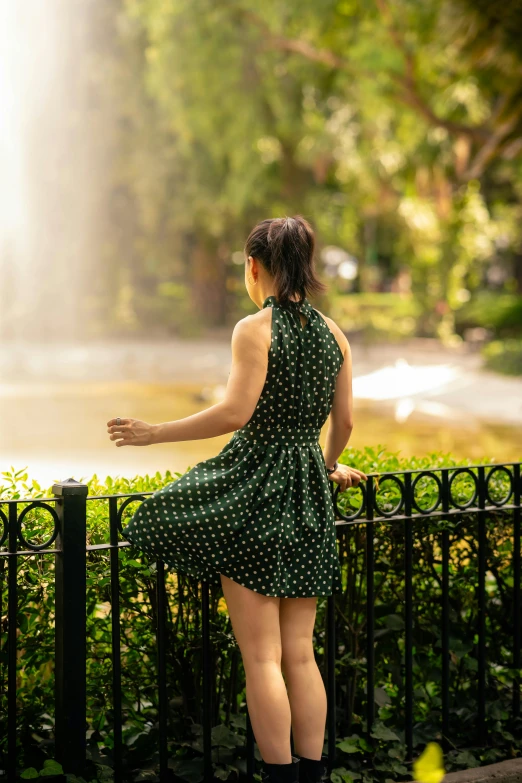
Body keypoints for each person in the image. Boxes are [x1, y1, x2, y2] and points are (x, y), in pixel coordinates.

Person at [107, 215, 367, 783]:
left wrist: (153, 433)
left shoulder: (255, 328)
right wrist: (324, 467)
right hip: (306, 494)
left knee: (263, 659)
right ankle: (313, 774)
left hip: (256, 492)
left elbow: (234, 414)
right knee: (301, 655)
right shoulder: (334, 335)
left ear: (255, 266)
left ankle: (278, 779)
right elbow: (344, 422)